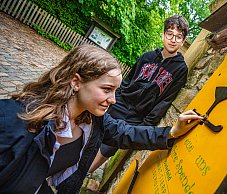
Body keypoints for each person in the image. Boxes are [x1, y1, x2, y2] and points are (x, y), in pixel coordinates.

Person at [0, 44, 202, 194]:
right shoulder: (11, 119)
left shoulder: (92, 122)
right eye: (106, 89)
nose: (113, 100)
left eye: (115, 91)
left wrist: (171, 132)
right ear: (76, 81)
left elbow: (126, 133)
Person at [89, 14, 190, 173]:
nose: (173, 39)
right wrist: (116, 98)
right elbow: (128, 79)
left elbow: (164, 101)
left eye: (179, 36)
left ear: (183, 41)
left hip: (138, 116)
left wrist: (146, 124)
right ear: (163, 35)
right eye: (170, 34)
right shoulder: (147, 56)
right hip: (121, 104)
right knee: (97, 132)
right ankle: (73, 164)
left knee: (111, 146)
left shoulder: (180, 69)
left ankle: (84, 173)